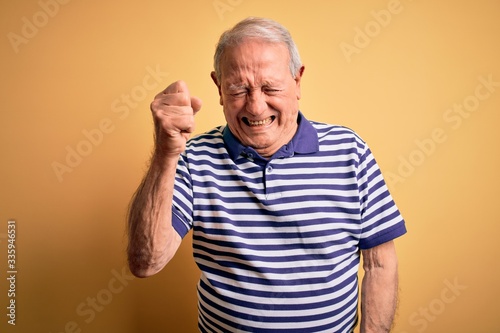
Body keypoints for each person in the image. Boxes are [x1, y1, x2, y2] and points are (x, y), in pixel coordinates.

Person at [127, 17, 407, 333]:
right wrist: (166, 153)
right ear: (219, 88)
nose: (257, 107)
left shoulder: (350, 152)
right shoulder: (193, 158)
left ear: (298, 81)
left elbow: (380, 264)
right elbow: (145, 262)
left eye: (270, 87)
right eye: (238, 89)